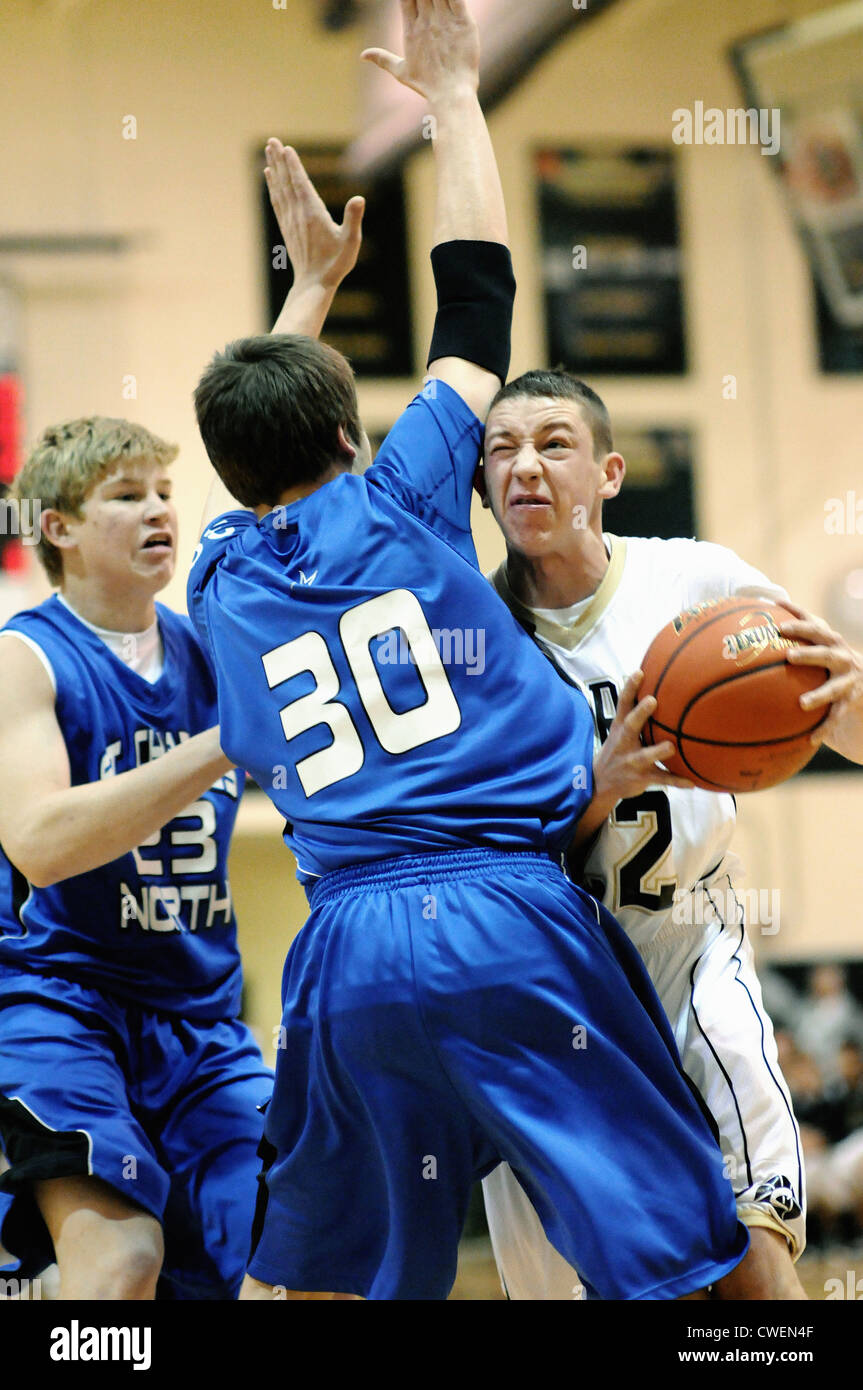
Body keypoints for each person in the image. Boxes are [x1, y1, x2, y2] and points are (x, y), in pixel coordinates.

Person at [187, 0, 750, 1302]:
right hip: (501, 913)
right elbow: (478, 295)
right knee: (685, 1248)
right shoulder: (403, 497)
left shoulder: (218, 575)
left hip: (337, 952)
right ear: (349, 441)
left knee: (327, 1277)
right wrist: (452, 101)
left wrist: (309, 290)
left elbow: (266, 440)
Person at [0, 164, 366, 1299]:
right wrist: (219, 745)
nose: (161, 507)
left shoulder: (209, 625)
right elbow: (41, 842)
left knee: (300, 1254)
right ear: (56, 527)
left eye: (164, 487)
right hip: (57, 1004)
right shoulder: (22, 655)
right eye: (125, 493)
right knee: (120, 1264)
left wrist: (306, 292)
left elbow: (265, 450)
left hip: (201, 1019)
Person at [476, 366, 863, 1299]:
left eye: (553, 444)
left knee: (754, 1251)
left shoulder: (700, 582)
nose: (525, 467)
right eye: (501, 450)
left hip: (690, 950)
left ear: (609, 473)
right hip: (540, 989)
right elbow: (468, 852)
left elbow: (838, 722)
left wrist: (849, 697)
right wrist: (592, 790)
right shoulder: (468, 630)